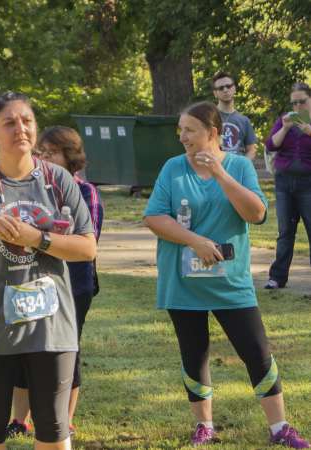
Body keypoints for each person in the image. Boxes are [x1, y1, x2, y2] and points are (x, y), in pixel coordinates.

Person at [143, 101, 309, 448]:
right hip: (183, 282)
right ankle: (205, 426)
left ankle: (279, 427)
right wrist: (196, 241)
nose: (182, 137)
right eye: (180, 130)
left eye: (189, 130)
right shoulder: (172, 168)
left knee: (257, 351)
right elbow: (155, 217)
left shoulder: (238, 166)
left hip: (230, 282)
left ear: (213, 133)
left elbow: (257, 214)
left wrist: (220, 174)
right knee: (194, 353)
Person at [0, 92, 96, 450]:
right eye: (9, 123)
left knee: (54, 430)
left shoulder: (58, 181)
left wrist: (37, 238)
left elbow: (87, 248)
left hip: (51, 329)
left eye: (26, 120)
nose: (20, 129)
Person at [8, 126, 103, 436]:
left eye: (51, 153)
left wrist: (40, 237)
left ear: (70, 157)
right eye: (41, 153)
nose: (43, 158)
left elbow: (87, 245)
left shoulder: (85, 192)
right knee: (26, 347)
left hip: (74, 283)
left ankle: (65, 418)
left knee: (66, 351)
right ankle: (19, 420)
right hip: (33, 279)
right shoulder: (30, 189)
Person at [264, 82, 311, 289]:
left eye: (302, 102)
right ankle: (277, 278)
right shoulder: (285, 120)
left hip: (308, 183)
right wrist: (284, 128)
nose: (298, 106)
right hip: (284, 182)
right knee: (285, 232)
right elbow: (271, 145)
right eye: (294, 103)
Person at [212, 71, 257, 159]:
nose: (225, 90)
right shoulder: (208, 117)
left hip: (238, 169)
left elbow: (251, 150)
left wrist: (242, 165)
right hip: (215, 167)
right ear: (215, 93)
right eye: (221, 88)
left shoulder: (244, 120)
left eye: (228, 86)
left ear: (234, 89)